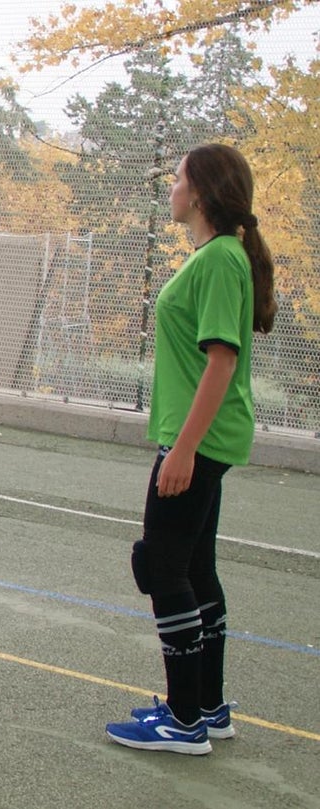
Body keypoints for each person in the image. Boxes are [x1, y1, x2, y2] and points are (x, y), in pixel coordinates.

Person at [105, 144, 277, 755]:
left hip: (198, 439)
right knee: (195, 568)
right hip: (202, 437)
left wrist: (182, 449)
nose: (171, 187)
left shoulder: (221, 260)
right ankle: (207, 706)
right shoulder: (218, 256)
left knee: (163, 566)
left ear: (199, 193)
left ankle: (183, 721)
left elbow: (221, 362)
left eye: (177, 178)